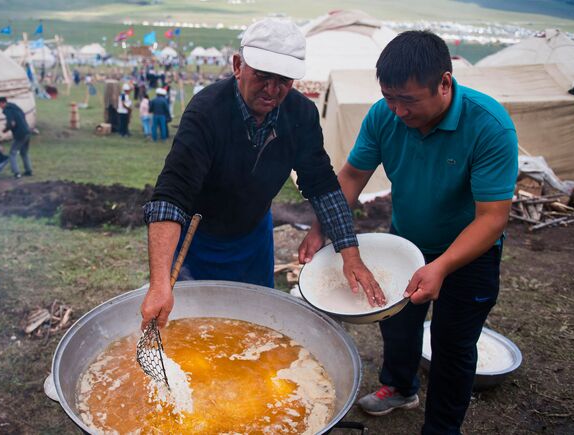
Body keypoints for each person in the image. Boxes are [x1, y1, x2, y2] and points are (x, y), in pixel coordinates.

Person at [300, 31, 518, 434]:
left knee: (454, 345)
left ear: (445, 84)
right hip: (406, 241)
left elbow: (492, 218)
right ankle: (400, 387)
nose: (398, 110)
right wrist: (320, 227)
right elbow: (352, 175)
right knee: (397, 324)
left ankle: (441, 428)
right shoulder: (383, 116)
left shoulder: (490, 127)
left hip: (468, 254)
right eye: (390, 97)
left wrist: (443, 266)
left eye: (410, 100)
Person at [139, 18, 385, 332]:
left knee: (253, 324)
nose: (272, 90)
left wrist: (349, 252)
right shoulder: (207, 111)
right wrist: (160, 283)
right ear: (238, 65)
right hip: (196, 239)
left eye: (283, 80)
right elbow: (171, 197)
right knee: (193, 326)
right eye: (262, 76)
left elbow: (321, 184)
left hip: (254, 237)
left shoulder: (301, 114)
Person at [0, 96, 32, 179]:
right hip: (27, 131)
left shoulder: (7, 110)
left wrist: (5, 129)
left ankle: (17, 173)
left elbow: (12, 123)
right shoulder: (15, 107)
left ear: (2, 103)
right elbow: (21, 117)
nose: (0, 107)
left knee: (12, 153)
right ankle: (29, 171)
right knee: (24, 152)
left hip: (20, 134)